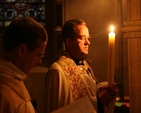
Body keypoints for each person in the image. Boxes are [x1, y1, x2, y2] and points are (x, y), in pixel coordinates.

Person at [44, 19, 117, 113]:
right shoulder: (58, 70)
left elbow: (89, 93)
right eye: (82, 38)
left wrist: (102, 89)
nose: (88, 42)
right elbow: (62, 109)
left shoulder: (84, 65)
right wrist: (99, 101)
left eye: (88, 38)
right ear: (69, 42)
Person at [0, 16, 48, 113]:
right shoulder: (4, 90)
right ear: (22, 50)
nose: (39, 61)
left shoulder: (15, 77)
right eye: (38, 55)